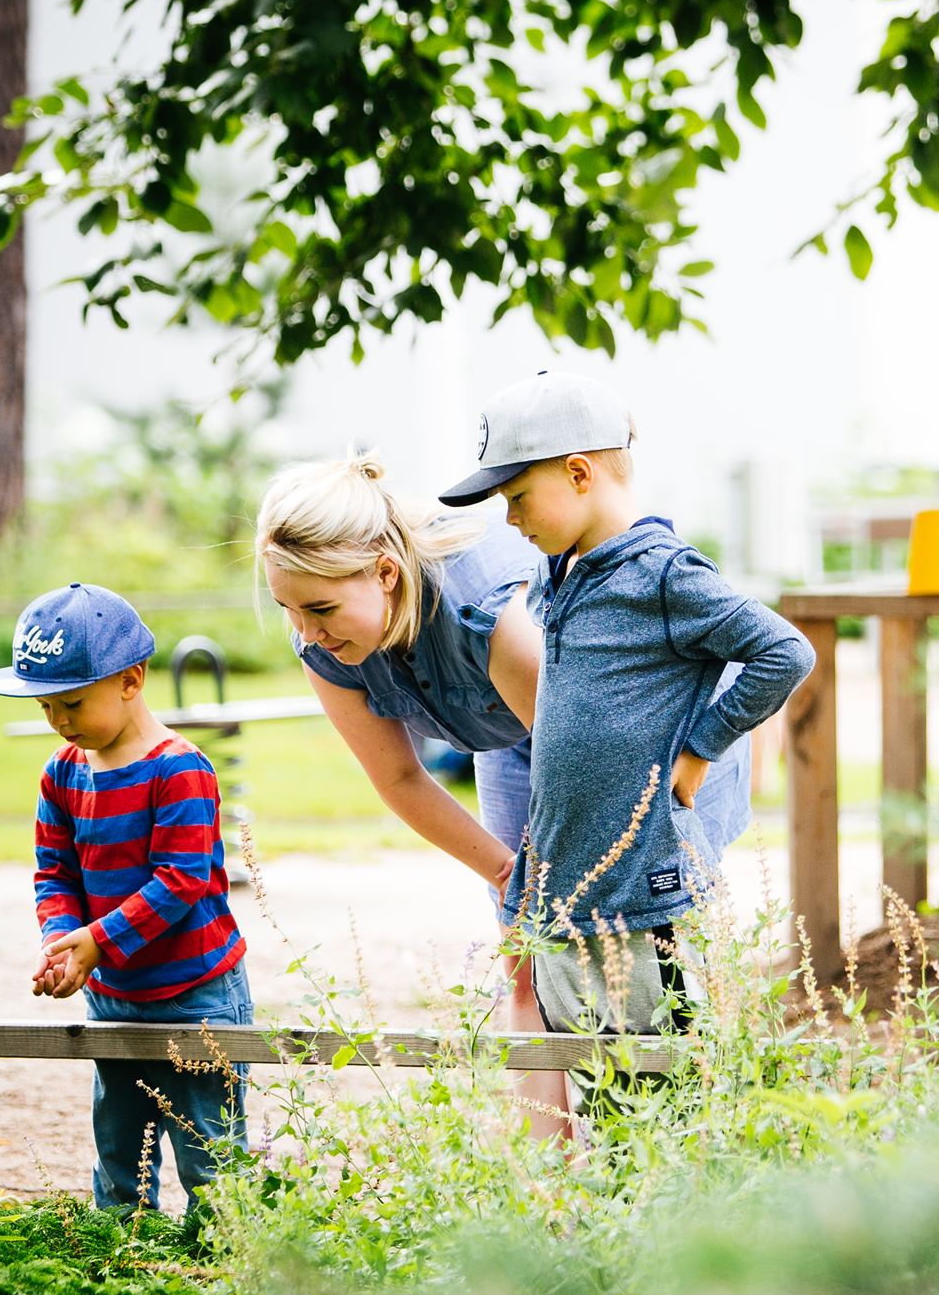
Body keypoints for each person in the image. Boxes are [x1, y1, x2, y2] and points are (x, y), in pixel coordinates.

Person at [436, 371, 816, 1044]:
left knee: (664, 1075)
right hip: (571, 903)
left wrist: (702, 745)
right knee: (596, 1080)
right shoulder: (559, 572)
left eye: (518, 497)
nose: (510, 520)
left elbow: (785, 652)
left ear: (580, 473)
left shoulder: (665, 572)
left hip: (647, 903)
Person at [253, 454, 570, 1132]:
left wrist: (562, 881)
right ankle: (551, 1169)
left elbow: (579, 761)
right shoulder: (322, 645)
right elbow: (399, 777)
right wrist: (510, 876)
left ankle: (651, 1155)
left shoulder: (493, 614)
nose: (306, 632)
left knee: (620, 941)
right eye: (289, 608)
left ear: (386, 574)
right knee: (525, 951)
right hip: (510, 732)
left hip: (631, 739)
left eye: (321, 608)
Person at [0, 582, 252, 1211]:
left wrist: (97, 941)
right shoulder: (61, 773)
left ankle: (227, 1257)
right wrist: (62, 943)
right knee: (121, 1150)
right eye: (46, 706)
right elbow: (54, 873)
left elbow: (180, 880)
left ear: (131, 680)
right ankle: (123, 1250)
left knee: (212, 1156)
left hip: (195, 994)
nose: (59, 720)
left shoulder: (179, 770)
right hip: (114, 995)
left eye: (72, 702)